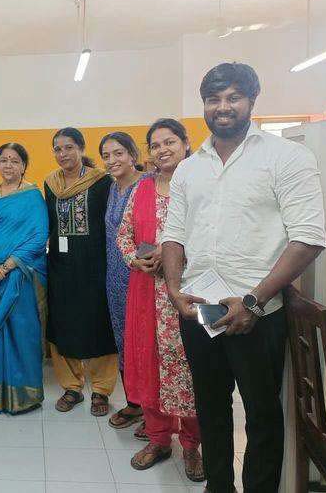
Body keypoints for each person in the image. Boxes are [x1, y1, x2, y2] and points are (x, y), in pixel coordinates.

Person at [163, 63, 326, 493]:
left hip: (258, 312)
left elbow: (308, 238)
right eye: (213, 99)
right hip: (200, 312)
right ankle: (218, 486)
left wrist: (253, 300)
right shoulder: (189, 168)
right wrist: (175, 290)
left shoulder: (286, 157)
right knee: (211, 409)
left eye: (233, 97)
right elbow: (173, 235)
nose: (223, 107)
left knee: (262, 416)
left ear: (252, 101)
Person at [117, 119, 203, 482]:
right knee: (149, 363)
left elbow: (211, 234)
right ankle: (158, 439)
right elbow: (124, 232)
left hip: (187, 292)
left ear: (185, 143)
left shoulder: (200, 183)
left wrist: (171, 257)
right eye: (155, 145)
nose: (162, 150)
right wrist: (134, 258)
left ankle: (192, 444)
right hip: (145, 292)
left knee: (190, 369)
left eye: (169, 142)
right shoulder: (143, 187)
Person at [44, 127, 118, 416]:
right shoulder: (50, 184)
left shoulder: (102, 182)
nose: (63, 154)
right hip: (60, 266)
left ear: (81, 149)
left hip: (95, 265)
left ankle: (101, 389)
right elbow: (50, 225)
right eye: (58, 149)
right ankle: (71, 387)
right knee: (63, 324)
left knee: (98, 324)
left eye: (69, 147)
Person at [0, 143, 48, 414]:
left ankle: (23, 396)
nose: (8, 165)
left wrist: (5, 267)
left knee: (21, 333)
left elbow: (39, 237)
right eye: (4, 160)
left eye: (15, 161)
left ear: (24, 165)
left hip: (19, 274)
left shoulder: (33, 196)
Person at [100, 132, 147, 438]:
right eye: (106, 155)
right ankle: (134, 403)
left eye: (118, 153)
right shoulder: (112, 187)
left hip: (143, 277)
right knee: (124, 341)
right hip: (115, 279)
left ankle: (154, 410)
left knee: (146, 343)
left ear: (132, 154)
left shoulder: (147, 184)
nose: (112, 160)